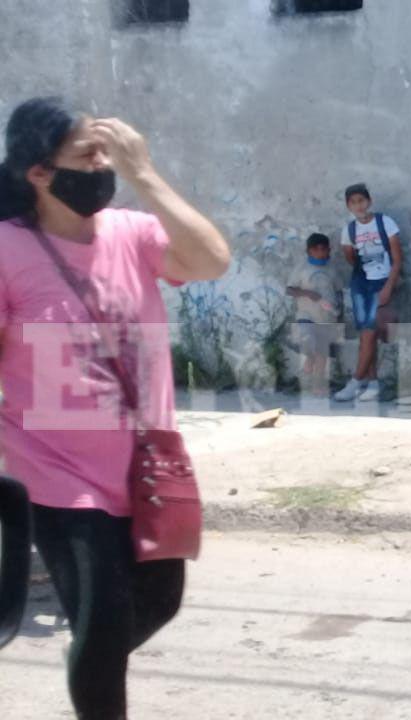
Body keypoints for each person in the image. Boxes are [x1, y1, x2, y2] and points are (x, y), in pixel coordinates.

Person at [0, 97, 229, 719]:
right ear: (39, 174)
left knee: (158, 603)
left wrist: (146, 173)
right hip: (57, 476)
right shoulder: (6, 250)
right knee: (101, 624)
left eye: (108, 152)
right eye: (88, 154)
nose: (103, 165)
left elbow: (211, 260)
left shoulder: (132, 233)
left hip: (149, 468)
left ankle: (91, 666)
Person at [333, 182, 402, 402]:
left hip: (381, 282)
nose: (359, 206)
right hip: (361, 284)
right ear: (348, 206)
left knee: (371, 331)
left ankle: (355, 381)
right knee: (365, 333)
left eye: (361, 200)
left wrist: (388, 287)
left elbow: (398, 258)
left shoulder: (385, 223)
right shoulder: (349, 230)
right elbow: (351, 258)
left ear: (369, 201)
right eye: (353, 202)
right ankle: (372, 383)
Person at [285, 232, 343, 397]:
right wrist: (308, 294)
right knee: (309, 341)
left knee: (322, 352)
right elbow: (289, 290)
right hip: (306, 315)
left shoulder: (332, 268)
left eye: (323, 249)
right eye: (316, 249)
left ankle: (318, 385)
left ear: (329, 250)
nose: (320, 253)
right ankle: (308, 362)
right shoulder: (302, 268)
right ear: (309, 251)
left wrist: (339, 312)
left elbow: (338, 291)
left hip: (327, 317)